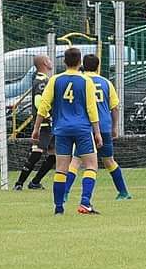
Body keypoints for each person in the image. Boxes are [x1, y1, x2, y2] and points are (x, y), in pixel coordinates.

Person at [32, 47, 103, 215]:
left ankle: (58, 208)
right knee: (91, 165)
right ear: (80, 63)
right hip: (82, 129)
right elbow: (92, 109)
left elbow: (44, 105)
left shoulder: (55, 80)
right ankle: (85, 202)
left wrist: (36, 128)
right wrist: (97, 132)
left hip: (61, 129)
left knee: (61, 169)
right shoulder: (86, 81)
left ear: (64, 62)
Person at [65, 54, 132, 201]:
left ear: (83, 64)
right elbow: (115, 108)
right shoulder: (106, 83)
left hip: (85, 127)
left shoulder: (80, 81)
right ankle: (123, 192)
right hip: (104, 127)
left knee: (76, 161)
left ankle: (65, 193)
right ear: (98, 66)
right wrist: (115, 127)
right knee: (109, 161)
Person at [14, 55, 56, 191]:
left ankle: (35, 182)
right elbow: (39, 101)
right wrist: (48, 116)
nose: (51, 61)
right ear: (45, 63)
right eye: (49, 59)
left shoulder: (43, 79)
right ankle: (19, 183)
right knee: (36, 153)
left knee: (53, 154)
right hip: (44, 124)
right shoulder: (41, 81)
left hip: (49, 125)